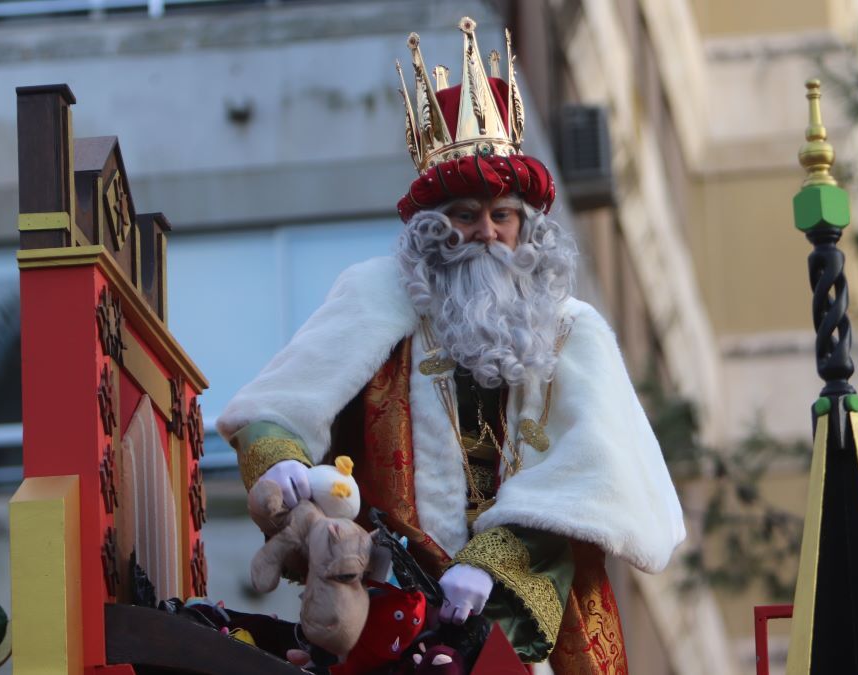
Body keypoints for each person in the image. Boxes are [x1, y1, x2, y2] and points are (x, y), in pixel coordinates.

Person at [218, 16, 685, 673]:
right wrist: (282, 460)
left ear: (527, 229)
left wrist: (492, 562)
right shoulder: (375, 298)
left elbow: (596, 474)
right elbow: (273, 408)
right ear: (435, 228)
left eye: (503, 216)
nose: (487, 234)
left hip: (539, 621)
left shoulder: (571, 329)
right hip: (392, 604)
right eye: (466, 215)